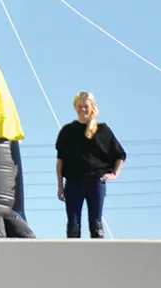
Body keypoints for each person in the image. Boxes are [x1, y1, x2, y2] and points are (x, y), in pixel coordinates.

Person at [55, 91, 126, 239]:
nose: (83, 109)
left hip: (96, 182)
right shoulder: (67, 131)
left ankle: (98, 256)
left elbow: (120, 155)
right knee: (73, 224)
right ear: (75, 107)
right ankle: (73, 256)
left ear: (92, 107)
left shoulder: (103, 131)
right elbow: (60, 160)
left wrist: (114, 174)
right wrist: (60, 185)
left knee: (96, 223)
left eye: (86, 106)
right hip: (74, 182)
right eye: (80, 106)